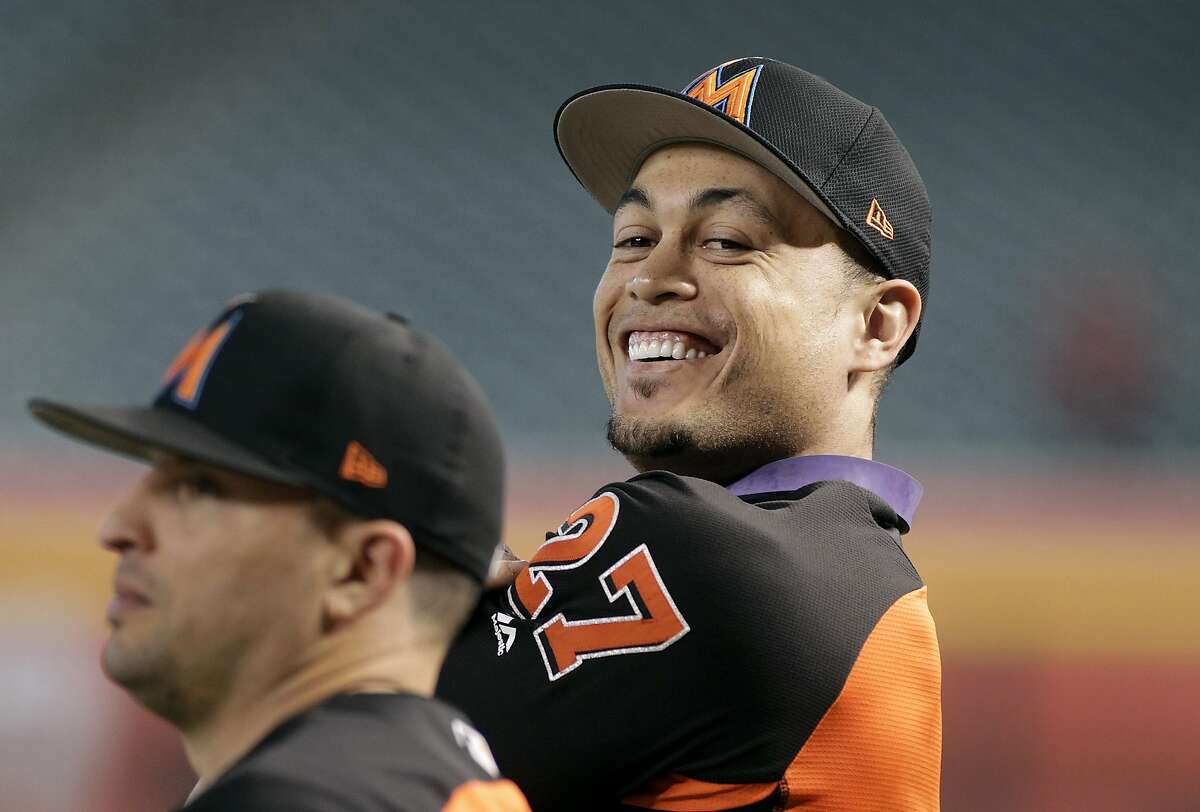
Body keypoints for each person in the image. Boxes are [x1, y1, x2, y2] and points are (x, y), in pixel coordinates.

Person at [438, 57, 941, 810]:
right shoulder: (863, 581)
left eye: (728, 241)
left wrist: (381, 605)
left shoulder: (710, 554)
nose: (650, 277)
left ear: (876, 324)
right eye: (635, 237)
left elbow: (308, 764)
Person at [29, 290, 530, 811]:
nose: (117, 527)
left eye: (198, 487)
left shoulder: (294, 797)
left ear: (362, 570)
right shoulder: (432, 781)